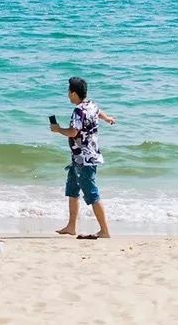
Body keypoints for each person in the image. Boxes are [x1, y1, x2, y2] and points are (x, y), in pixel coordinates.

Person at [50, 76, 115, 238]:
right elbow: (99, 113)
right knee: (72, 190)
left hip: (85, 160)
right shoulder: (91, 105)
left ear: (73, 93)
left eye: (68, 91)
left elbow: (73, 132)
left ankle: (105, 230)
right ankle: (71, 227)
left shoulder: (78, 111)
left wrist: (58, 129)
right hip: (79, 158)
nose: (67, 94)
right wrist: (107, 118)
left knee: (92, 194)